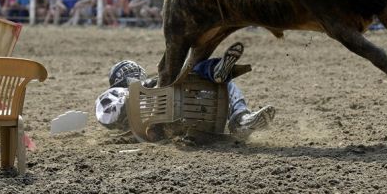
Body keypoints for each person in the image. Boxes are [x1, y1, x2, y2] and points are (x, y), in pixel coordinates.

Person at [95, 43, 275, 140]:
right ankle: (240, 118)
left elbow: (109, 118)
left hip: (186, 120)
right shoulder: (134, 93)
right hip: (182, 116)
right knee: (205, 74)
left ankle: (239, 116)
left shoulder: (139, 93)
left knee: (213, 79)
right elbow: (112, 112)